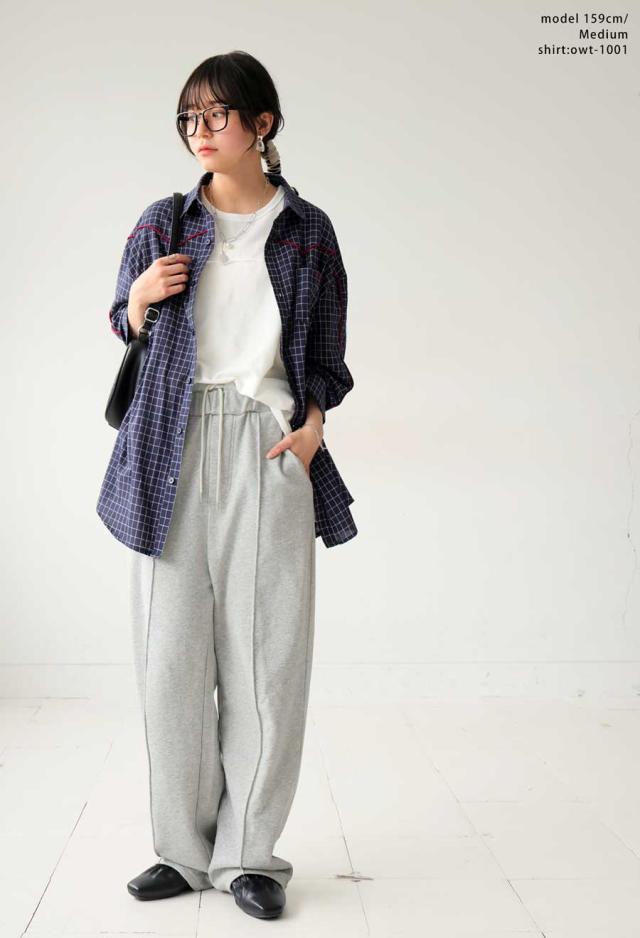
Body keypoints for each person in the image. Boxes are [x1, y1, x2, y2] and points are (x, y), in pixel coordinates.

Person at [96, 51, 357, 920]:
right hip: (169, 441)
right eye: (189, 119)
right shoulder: (163, 222)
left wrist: (312, 428)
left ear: (262, 124)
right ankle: (181, 850)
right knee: (170, 660)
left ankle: (249, 856)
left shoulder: (308, 231)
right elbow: (122, 321)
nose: (199, 132)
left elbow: (327, 357)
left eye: (216, 116)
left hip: (265, 443)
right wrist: (139, 300)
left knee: (267, 661)